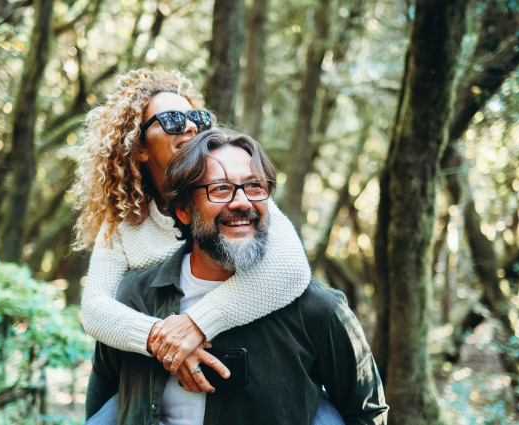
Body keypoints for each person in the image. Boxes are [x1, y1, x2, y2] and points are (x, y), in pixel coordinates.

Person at [73, 69, 342, 420]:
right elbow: (95, 308)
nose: (188, 127)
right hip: (148, 376)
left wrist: (196, 325)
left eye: (196, 118)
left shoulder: (238, 197)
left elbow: (291, 270)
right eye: (170, 120)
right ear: (138, 147)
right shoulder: (125, 221)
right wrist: (167, 341)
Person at [84, 129, 387, 424]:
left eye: (255, 186)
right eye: (220, 189)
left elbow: (367, 413)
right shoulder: (135, 297)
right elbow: (105, 402)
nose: (242, 202)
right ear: (184, 211)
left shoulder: (317, 309)